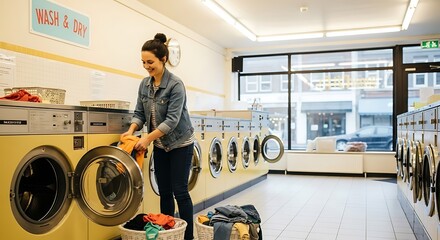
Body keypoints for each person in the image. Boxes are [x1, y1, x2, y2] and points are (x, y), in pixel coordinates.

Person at [121, 33, 195, 240]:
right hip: (161, 144)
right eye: (143, 62)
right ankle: (168, 233)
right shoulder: (144, 84)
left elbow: (171, 121)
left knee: (180, 191)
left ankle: (187, 237)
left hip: (180, 143)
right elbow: (139, 113)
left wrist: (147, 139)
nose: (146, 66)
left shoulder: (175, 85)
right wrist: (131, 130)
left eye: (150, 62)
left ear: (163, 59)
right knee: (164, 191)